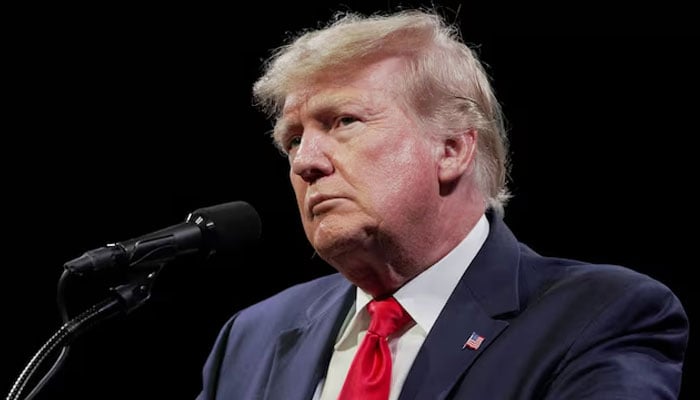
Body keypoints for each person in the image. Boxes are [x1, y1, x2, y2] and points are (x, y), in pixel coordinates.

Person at [196, 9, 689, 400]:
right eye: (293, 140)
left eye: (344, 121)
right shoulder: (253, 335)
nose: (306, 162)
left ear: (452, 149)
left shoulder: (598, 315)